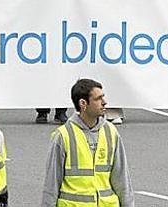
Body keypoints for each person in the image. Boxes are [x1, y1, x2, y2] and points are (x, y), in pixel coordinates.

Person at [41, 78, 133, 206]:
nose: (104, 102)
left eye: (103, 97)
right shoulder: (63, 136)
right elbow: (51, 184)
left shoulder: (111, 132)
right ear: (83, 103)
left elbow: (122, 179)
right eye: (98, 99)